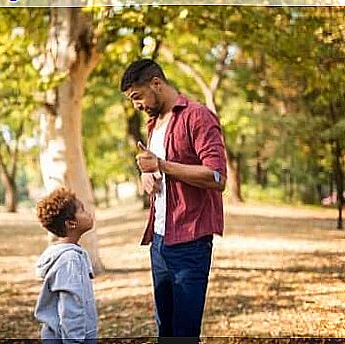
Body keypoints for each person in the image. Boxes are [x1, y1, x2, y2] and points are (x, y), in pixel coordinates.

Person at [120, 59, 227, 340]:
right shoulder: (154, 124)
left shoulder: (197, 117)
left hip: (190, 243)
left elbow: (217, 177)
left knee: (184, 333)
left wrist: (163, 166)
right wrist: (147, 177)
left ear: (156, 84)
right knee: (164, 330)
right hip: (158, 241)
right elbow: (156, 170)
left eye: (137, 97)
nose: (137, 106)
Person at [34, 187, 97, 344]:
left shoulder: (74, 255)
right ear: (71, 223)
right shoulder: (69, 260)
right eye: (82, 210)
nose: (88, 213)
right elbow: (70, 309)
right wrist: (75, 340)